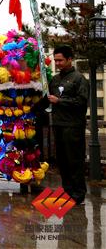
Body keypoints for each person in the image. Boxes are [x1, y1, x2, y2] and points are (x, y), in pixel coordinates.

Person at [35, 45, 89, 204]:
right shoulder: (55, 79)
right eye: (56, 60)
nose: (57, 63)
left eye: (60, 60)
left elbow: (81, 102)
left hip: (73, 127)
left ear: (70, 59)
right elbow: (46, 100)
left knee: (74, 161)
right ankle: (67, 192)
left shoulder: (79, 79)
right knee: (62, 161)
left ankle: (78, 195)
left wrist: (60, 101)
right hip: (57, 125)